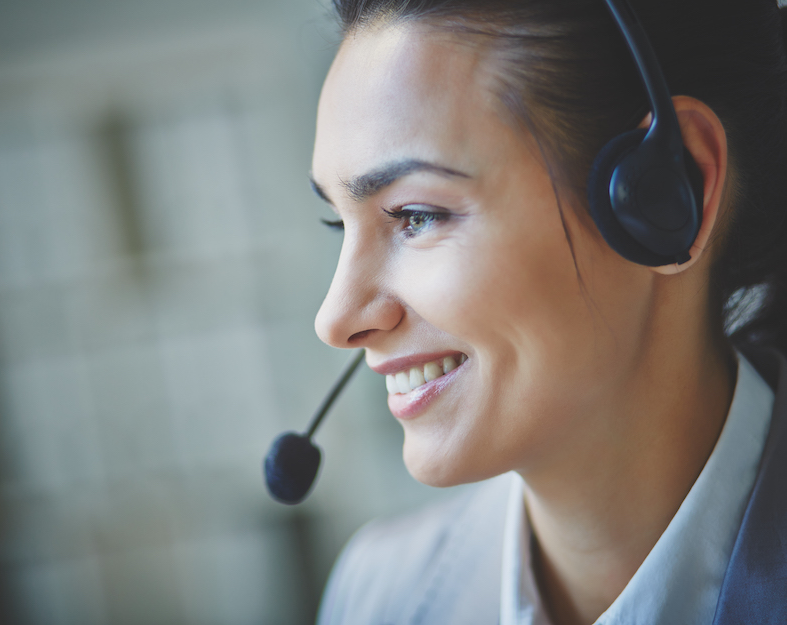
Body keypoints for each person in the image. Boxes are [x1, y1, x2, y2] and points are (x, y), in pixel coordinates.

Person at [307, 0, 787, 623]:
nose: (336, 318)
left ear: (671, 194)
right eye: (337, 223)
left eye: (415, 216)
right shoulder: (377, 595)